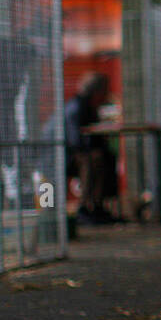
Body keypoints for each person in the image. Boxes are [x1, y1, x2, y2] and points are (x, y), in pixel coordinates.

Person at [64, 72, 120, 225]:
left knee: (106, 156)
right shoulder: (77, 107)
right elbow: (76, 142)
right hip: (66, 156)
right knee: (93, 159)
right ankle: (87, 206)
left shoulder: (87, 105)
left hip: (76, 152)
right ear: (97, 92)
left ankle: (98, 206)